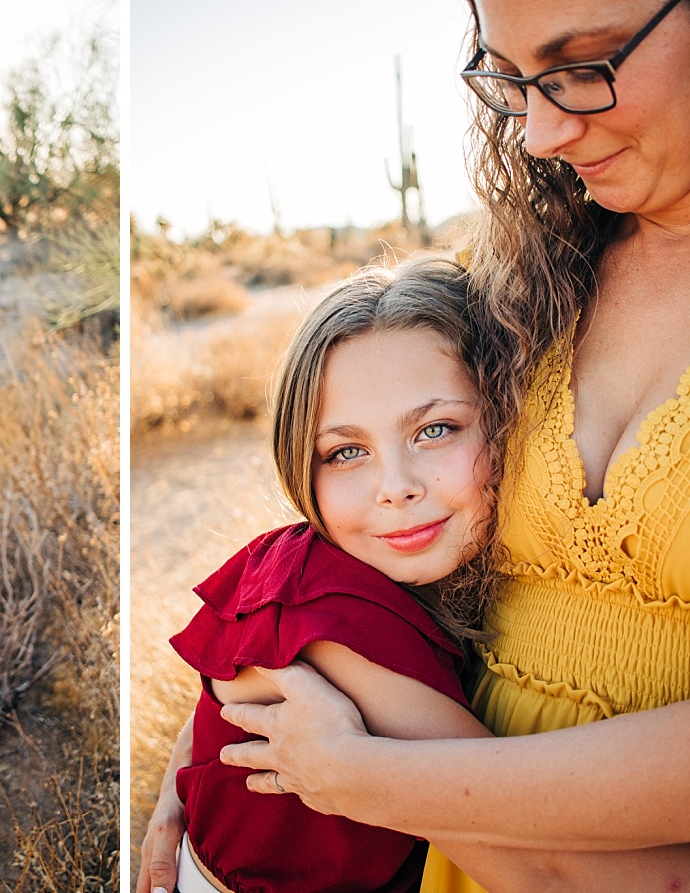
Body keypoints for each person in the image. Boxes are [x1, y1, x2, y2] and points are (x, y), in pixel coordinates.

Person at [138, 0, 690, 890]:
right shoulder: (524, 283)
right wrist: (201, 759)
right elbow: (351, 538)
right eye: (513, 80)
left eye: (584, 64)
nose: (539, 132)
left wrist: (366, 775)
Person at [168, 258, 499, 893]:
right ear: (302, 463)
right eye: (346, 452)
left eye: (435, 431)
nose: (395, 489)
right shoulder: (329, 609)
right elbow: (524, 849)